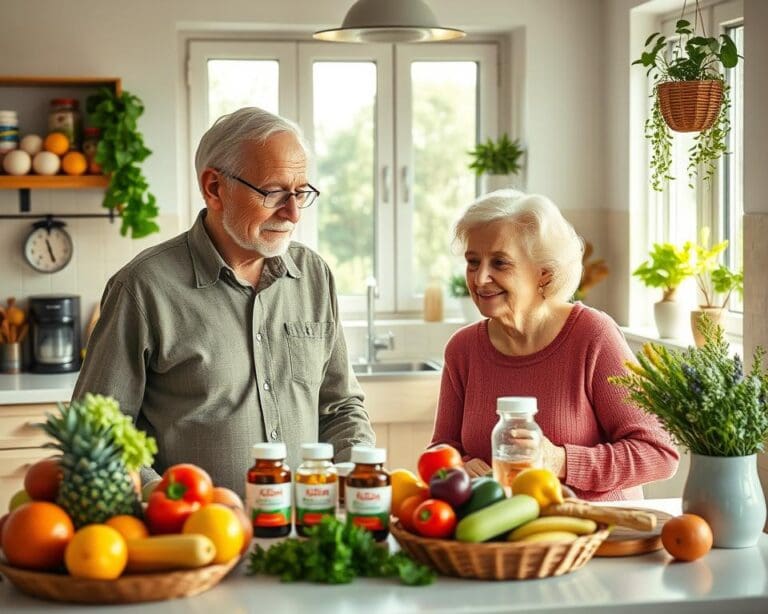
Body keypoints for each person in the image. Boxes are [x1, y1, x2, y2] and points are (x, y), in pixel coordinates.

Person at [74, 107, 375, 496]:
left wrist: (358, 482)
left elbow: (341, 408)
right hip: (194, 544)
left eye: (301, 192)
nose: (293, 212)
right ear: (214, 188)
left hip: (308, 535)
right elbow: (98, 432)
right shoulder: (143, 288)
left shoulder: (314, 276)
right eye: (274, 192)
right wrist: (167, 502)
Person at [430, 189, 678, 501]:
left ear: (543, 274)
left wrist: (559, 460)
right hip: (499, 539)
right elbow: (441, 451)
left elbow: (659, 453)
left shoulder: (593, 336)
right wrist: (458, 468)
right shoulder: (462, 350)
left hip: (597, 536)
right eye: (473, 262)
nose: (480, 279)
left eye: (500, 263)